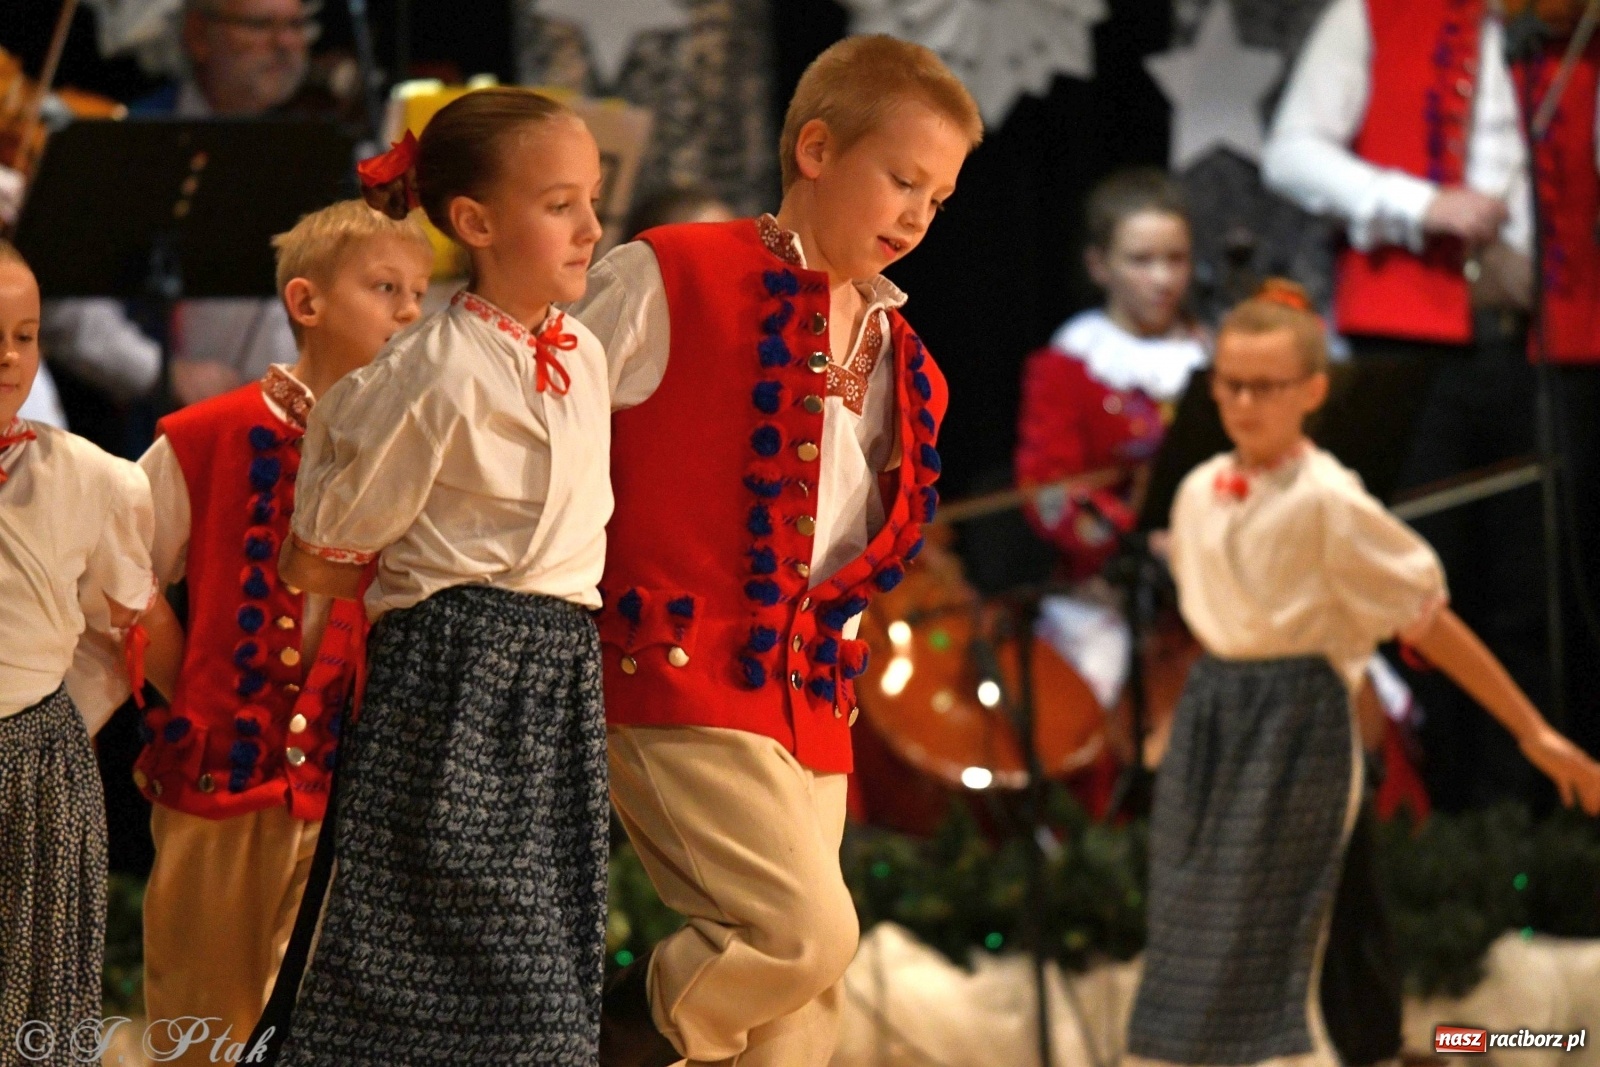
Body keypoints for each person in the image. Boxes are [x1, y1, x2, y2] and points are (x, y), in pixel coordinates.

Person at [571, 34, 980, 1067]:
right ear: (814, 148)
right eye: (899, 180)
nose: (915, 217)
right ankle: (641, 1024)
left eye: (935, 199)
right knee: (802, 933)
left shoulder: (906, 361)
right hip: (673, 672)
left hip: (808, 698)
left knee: (806, 1008)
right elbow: (551, 440)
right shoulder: (673, 272)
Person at [1126, 281, 1600, 1067]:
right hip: (1216, 714)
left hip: (1297, 717)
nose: (1244, 402)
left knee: (1284, 920)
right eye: (1230, 384)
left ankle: (1354, 1047)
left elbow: (1430, 620)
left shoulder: (1328, 502)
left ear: (1313, 391)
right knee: (1201, 918)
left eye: (1265, 386)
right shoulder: (1197, 488)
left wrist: (1535, 731)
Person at [268, 88, 611, 1065]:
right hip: (459, 675)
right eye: (561, 205)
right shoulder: (436, 368)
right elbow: (338, 517)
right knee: (484, 968)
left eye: (594, 199)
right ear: (474, 222)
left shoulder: (579, 350)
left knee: (555, 937)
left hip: (555, 675)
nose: (591, 227)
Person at [1262, 0, 1600, 808]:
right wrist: (1417, 205)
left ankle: (1533, 822)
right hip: (1415, 344)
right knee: (1419, 588)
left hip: (1556, 345)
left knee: (1543, 589)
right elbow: (1292, 153)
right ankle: (1436, 826)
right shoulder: (1375, 11)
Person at [126, 200, 432, 1065]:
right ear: (307, 301)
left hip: (343, 782)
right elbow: (121, 571)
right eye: (385, 289)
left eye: (417, 293)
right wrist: (189, 682)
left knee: (320, 1019)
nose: (410, 312)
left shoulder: (408, 449)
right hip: (222, 782)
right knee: (201, 1011)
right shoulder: (206, 437)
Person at [0, 239, 175, 1058]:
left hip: (37, 772)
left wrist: (56, 736)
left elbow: (122, 629)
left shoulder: (93, 478)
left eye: (28, 335)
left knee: (30, 1000)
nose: (9, 357)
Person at [1013, 166, 1204, 722]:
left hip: (1211, 582)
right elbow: (1047, 491)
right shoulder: (1071, 363)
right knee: (1086, 699)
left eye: (1176, 259)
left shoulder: (1215, 357)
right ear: (1100, 265)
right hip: (1104, 587)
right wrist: (1136, 543)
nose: (1163, 279)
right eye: (1141, 261)